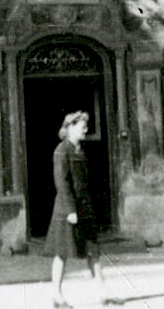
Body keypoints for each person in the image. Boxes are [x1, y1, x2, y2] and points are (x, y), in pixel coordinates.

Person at [45, 111, 123, 308]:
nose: (86, 129)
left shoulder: (80, 150)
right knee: (61, 253)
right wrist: (71, 210)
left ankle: (103, 294)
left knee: (93, 251)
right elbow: (61, 183)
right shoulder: (62, 151)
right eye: (83, 126)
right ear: (70, 127)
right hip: (67, 210)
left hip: (84, 209)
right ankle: (57, 295)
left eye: (86, 125)